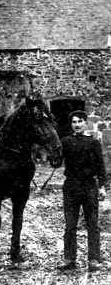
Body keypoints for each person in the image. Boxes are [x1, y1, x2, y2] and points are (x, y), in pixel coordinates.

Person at [58, 110, 108, 272]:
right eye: (74, 122)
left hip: (89, 187)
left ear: (85, 123)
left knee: (92, 224)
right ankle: (69, 259)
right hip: (71, 186)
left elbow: (101, 167)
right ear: (71, 125)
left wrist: (102, 187)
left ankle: (94, 259)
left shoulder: (93, 142)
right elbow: (56, 160)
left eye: (79, 121)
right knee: (70, 224)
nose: (77, 125)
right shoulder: (65, 141)